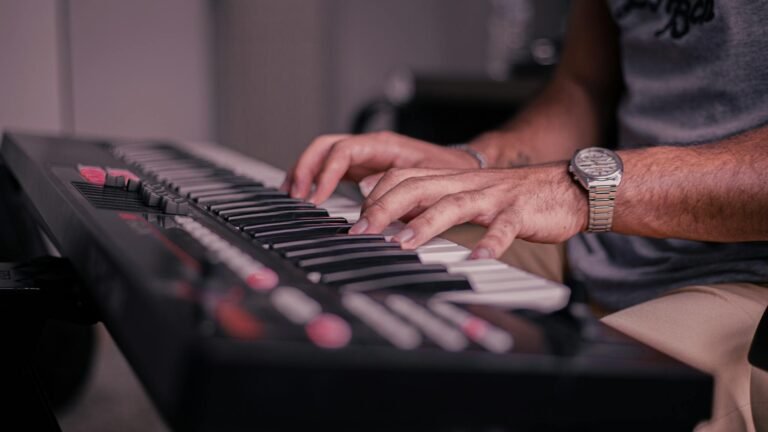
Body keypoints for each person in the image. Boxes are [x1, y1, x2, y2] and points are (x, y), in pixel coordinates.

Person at [281, 1, 768, 430]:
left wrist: (578, 190)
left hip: (747, 277)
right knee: (353, 285)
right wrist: (475, 161)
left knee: (558, 406)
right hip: (606, 243)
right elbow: (582, 88)